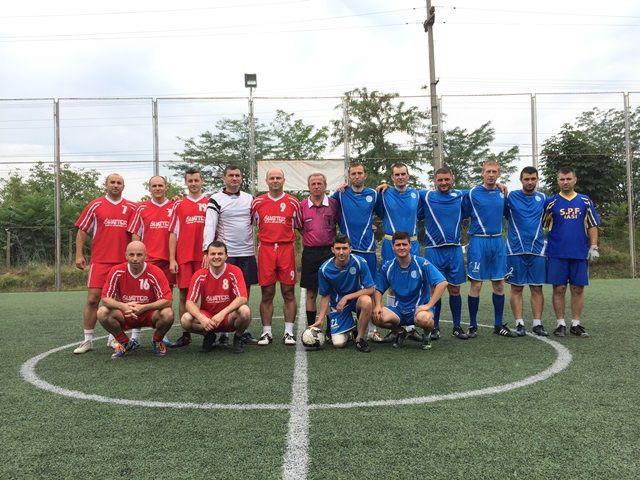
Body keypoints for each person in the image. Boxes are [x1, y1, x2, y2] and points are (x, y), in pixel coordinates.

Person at [72, 173, 137, 354]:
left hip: (123, 262)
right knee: (93, 299)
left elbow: (136, 232)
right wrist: (79, 254)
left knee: (120, 302)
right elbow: (82, 231)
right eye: (112, 182)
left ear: (123, 186)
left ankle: (114, 338)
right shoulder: (95, 205)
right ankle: (87, 340)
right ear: (106, 185)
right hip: (100, 261)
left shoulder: (132, 207)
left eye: (119, 183)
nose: (115, 185)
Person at [203, 165, 258, 346]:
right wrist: (207, 250)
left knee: (244, 294)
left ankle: (241, 331)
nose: (234, 178)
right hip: (227, 255)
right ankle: (223, 332)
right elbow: (210, 225)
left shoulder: (250, 199)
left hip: (247, 253)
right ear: (224, 178)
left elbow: (257, 221)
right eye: (231, 175)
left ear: (241, 178)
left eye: (237, 175)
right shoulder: (216, 199)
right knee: (224, 293)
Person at [544, 166, 601, 338]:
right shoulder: (551, 202)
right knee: (559, 288)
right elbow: (542, 225)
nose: (565, 182)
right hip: (557, 252)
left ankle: (576, 323)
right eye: (562, 179)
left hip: (579, 252)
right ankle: (560, 323)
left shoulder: (585, 201)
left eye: (568, 179)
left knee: (577, 288)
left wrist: (594, 246)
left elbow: (592, 224)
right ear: (558, 181)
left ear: (575, 180)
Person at [462, 160, 515, 338]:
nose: (491, 175)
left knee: (499, 284)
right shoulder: (472, 193)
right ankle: (472, 325)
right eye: (488, 171)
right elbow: (454, 199)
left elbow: (508, 214)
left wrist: (502, 187)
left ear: (498, 174)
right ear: (482, 173)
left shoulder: (503, 193)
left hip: (497, 241)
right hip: (479, 242)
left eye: (494, 172)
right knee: (476, 284)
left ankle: (498, 325)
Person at [331, 162, 383, 342]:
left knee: (370, 288)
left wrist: (385, 187)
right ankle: (343, 323)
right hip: (347, 250)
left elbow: (382, 213)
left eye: (360, 173)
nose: (357, 176)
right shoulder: (340, 193)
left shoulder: (373, 194)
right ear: (349, 176)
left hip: (367, 249)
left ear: (365, 175)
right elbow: (328, 207)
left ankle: (373, 329)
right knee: (343, 286)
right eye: (353, 173)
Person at [250, 168, 302, 346]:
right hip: (266, 249)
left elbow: (299, 226)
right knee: (267, 292)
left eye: (278, 177)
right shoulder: (257, 202)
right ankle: (266, 332)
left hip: (286, 249)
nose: (275, 181)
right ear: (266, 181)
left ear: (284, 180)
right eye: (272, 178)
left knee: (288, 292)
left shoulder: (293, 202)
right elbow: (251, 224)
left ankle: (288, 332)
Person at [97, 241, 174, 358]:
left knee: (168, 313)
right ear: (126, 255)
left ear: (146, 256)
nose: (135, 259)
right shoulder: (117, 271)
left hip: (149, 314)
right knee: (102, 312)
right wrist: (123, 306)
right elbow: (105, 299)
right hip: (126, 313)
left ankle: (157, 340)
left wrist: (144, 307)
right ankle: (124, 342)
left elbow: (167, 300)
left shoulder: (155, 272)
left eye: (139, 255)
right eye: (131, 254)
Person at [373, 231, 448, 350]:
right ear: (393, 247)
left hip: (418, 310)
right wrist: (377, 305)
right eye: (398, 245)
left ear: (410, 246)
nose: (401, 247)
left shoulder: (421, 263)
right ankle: (401, 332)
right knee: (375, 316)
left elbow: (442, 283)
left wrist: (429, 305)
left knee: (424, 319)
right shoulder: (388, 266)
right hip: (399, 310)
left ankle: (427, 336)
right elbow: (378, 289)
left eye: (404, 244)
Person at [420, 167, 469, 340]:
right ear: (435, 181)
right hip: (433, 250)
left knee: (455, 289)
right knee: (435, 290)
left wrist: (499, 185)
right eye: (440, 180)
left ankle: (457, 326)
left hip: (454, 249)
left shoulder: (461, 195)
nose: (443, 183)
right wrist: (385, 187)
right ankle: (435, 327)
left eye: (446, 179)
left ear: (452, 179)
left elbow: (481, 190)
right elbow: (403, 191)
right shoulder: (426, 195)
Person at [128, 175, 175, 347]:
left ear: (166, 187)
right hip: (148, 261)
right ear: (149, 188)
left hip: (168, 261)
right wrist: (137, 256)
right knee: (141, 296)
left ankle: (161, 335)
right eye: (154, 186)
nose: (157, 188)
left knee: (166, 298)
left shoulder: (174, 206)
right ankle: (135, 335)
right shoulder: (141, 208)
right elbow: (136, 233)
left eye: (160, 185)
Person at [180, 241, 251, 353]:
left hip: (228, 317)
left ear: (226, 256)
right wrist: (202, 318)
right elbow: (189, 302)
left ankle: (238, 337)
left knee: (245, 311)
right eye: (213, 254)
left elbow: (242, 297)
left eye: (220, 254)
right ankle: (208, 335)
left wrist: (222, 313)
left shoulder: (234, 271)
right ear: (207, 256)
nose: (216, 257)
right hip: (208, 318)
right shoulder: (199, 275)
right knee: (185, 319)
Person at [504, 166, 549, 337]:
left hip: (537, 249)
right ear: (521, 180)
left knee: (537, 287)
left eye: (533, 179)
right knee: (516, 288)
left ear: (537, 179)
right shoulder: (511, 197)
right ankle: (519, 323)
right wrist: (500, 186)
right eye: (526, 179)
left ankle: (537, 324)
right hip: (515, 249)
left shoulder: (543, 198)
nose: (530, 182)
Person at [311, 235, 374, 353]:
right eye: (338, 248)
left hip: (356, 300)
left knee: (367, 301)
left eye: (344, 248)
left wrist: (347, 297)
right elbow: (325, 295)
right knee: (339, 344)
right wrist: (320, 319)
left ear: (350, 249)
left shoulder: (360, 262)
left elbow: (371, 289)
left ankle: (359, 339)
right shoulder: (324, 269)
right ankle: (351, 325)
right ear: (332, 250)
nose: (341, 252)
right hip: (338, 305)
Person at [168, 167, 209, 348]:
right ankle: (186, 334)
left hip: (204, 257)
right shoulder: (178, 205)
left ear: (202, 181)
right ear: (185, 182)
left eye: (196, 180)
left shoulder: (210, 202)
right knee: (184, 295)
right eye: (190, 181)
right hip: (184, 256)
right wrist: (172, 259)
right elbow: (173, 233)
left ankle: (210, 329)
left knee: (208, 294)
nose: (193, 184)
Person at [300, 173, 340, 329]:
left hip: (330, 253)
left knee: (330, 291)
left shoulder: (334, 204)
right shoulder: (302, 206)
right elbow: (299, 227)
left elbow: (339, 223)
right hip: (310, 253)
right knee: (311, 292)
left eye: (319, 183)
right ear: (308, 187)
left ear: (325, 185)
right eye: (313, 184)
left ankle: (332, 329)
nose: (316, 186)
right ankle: (312, 329)